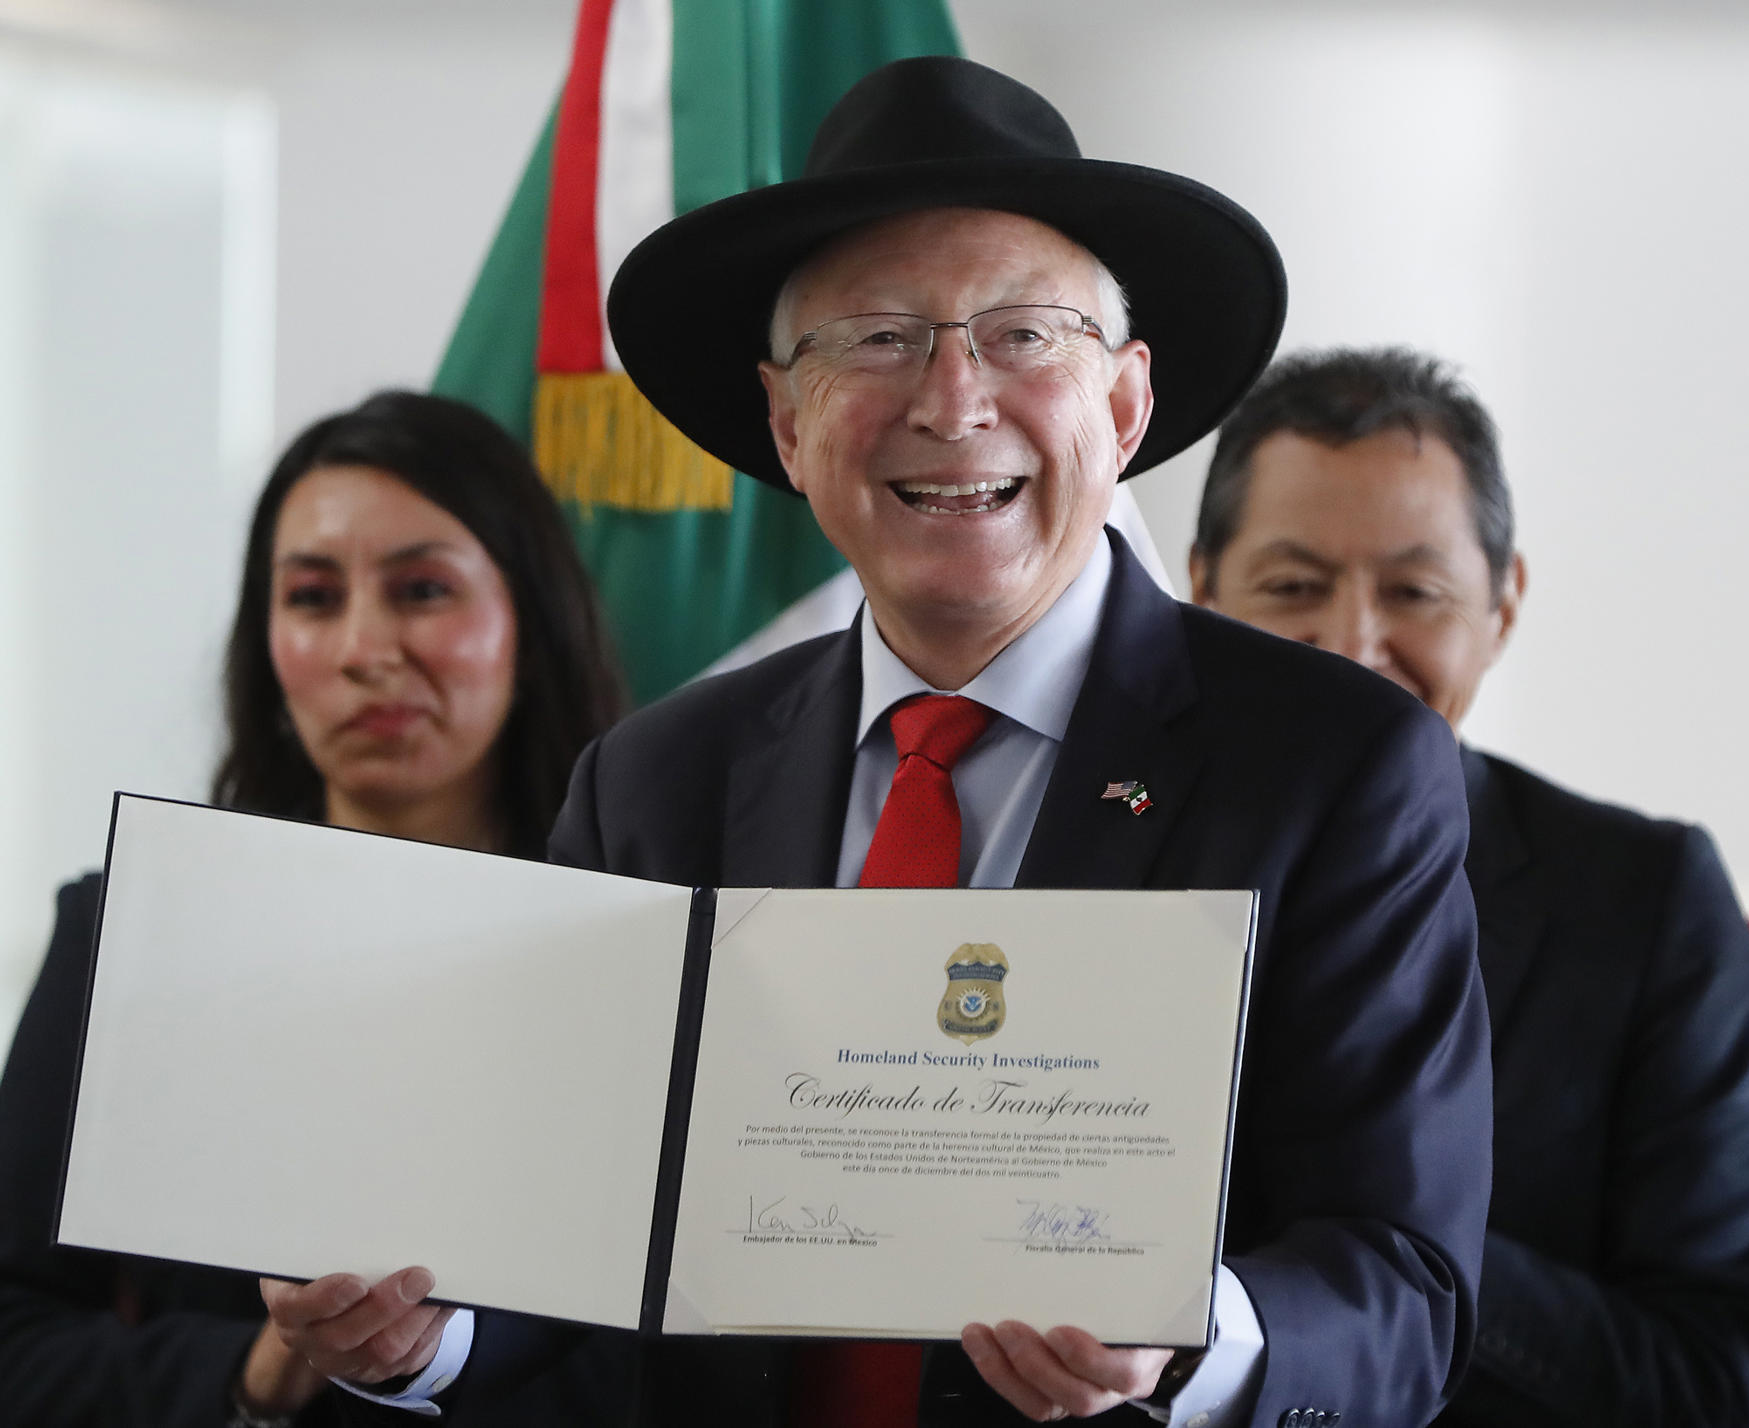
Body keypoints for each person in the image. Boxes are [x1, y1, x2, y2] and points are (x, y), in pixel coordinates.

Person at [265, 59, 1493, 1428]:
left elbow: (1403, 1285)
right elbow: (577, 1236)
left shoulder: (1336, 765)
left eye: (1026, 336)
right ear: (788, 423)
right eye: (879, 338)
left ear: (1127, 406)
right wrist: (421, 1337)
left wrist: (1195, 1336)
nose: (955, 402)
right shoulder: (657, 781)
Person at [0, 390, 624, 1427]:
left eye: (421, 589)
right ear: (265, 645)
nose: (366, 647)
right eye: (313, 597)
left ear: (528, 626)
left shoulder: (631, 943)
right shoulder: (132, 935)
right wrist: (264, 1369)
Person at [1188, 345, 1749, 1426]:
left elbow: (1719, 1377)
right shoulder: (1097, 844)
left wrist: (1399, 1239)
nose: (1350, 645)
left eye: (1413, 591)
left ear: (1503, 606)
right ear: (1199, 591)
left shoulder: (1646, 900)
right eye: (1293, 587)